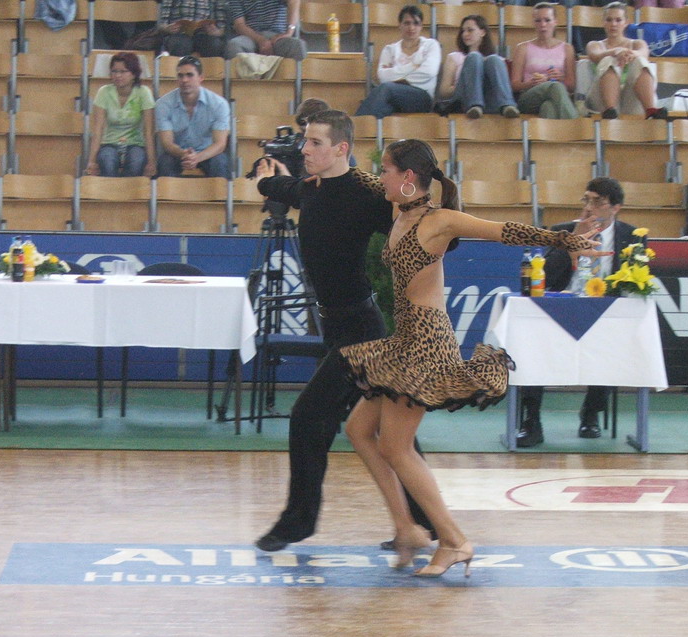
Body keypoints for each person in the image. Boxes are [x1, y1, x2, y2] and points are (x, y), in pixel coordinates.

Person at [338, 139, 604, 577]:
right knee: (359, 430)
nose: (380, 176)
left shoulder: (439, 220)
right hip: (406, 339)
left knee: (396, 447)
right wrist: (328, 165)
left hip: (427, 341)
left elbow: (505, 231)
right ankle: (406, 528)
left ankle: (454, 540)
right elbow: (362, 180)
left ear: (408, 177)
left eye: (386, 169)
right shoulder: (398, 209)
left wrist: (564, 240)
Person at [253, 110, 434, 553]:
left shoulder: (366, 191)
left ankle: (297, 522)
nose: (305, 150)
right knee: (392, 429)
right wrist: (265, 180)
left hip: (361, 331)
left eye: (315, 143)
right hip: (336, 327)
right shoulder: (310, 188)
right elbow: (283, 188)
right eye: (305, 141)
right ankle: (426, 522)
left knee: (308, 416)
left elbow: (423, 222)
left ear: (341, 149)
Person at [515, 177, 637, 447]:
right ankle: (531, 421)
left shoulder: (631, 237)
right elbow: (545, 276)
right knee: (534, 344)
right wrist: (571, 242)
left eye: (598, 202)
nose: (589, 207)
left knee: (613, 341)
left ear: (615, 208)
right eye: (587, 200)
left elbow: (637, 279)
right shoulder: (563, 231)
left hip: (605, 312)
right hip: (561, 308)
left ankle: (591, 414)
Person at [355, 5, 442, 119]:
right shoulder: (390, 49)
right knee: (382, 108)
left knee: (385, 89)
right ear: (400, 25)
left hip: (422, 97)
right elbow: (383, 76)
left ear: (421, 26)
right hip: (395, 98)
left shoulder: (431, 45)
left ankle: (356, 124)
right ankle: (366, 128)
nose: (411, 27)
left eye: (416, 23)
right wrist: (413, 66)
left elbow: (429, 72)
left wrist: (397, 78)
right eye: (407, 23)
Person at [583, 2, 666, 120]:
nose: (613, 24)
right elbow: (595, 56)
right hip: (600, 98)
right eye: (609, 20)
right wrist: (616, 52)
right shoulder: (594, 44)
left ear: (626, 22)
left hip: (630, 99)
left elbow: (644, 53)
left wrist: (630, 54)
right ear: (603, 22)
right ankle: (610, 110)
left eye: (618, 20)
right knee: (608, 60)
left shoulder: (637, 43)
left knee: (640, 61)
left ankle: (650, 110)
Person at [155, 55, 231, 179]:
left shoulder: (219, 104)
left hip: (207, 153)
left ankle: (221, 193)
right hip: (177, 153)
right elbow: (167, 143)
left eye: (190, 75)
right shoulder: (163, 104)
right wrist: (184, 154)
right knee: (165, 162)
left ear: (201, 78)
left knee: (220, 162)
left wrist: (197, 157)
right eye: (180, 76)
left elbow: (220, 144)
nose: (184, 80)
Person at [85, 53, 156, 178]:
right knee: (107, 160)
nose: (117, 75)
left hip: (135, 144)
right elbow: (98, 130)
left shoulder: (144, 93)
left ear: (134, 74)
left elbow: (148, 132)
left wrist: (151, 162)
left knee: (137, 161)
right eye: (114, 71)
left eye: (123, 71)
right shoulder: (104, 92)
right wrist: (92, 161)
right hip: (109, 143)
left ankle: (129, 190)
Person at [435, 14, 519, 120]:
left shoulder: (499, 61)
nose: (465, 34)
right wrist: (470, 84)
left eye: (470, 30)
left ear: (482, 32)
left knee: (494, 59)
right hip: (463, 100)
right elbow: (444, 92)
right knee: (474, 57)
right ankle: (475, 105)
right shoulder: (454, 57)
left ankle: (507, 106)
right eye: (463, 31)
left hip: (490, 102)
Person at [509, 2, 579, 120]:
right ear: (533, 23)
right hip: (528, 96)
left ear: (555, 22)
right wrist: (531, 83)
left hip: (556, 97)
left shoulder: (567, 48)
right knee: (555, 86)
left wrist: (561, 78)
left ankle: (548, 133)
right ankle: (575, 126)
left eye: (547, 20)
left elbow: (572, 86)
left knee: (548, 107)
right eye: (538, 21)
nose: (543, 24)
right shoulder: (522, 48)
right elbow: (514, 85)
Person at [225, 0, 307, 61]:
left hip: (277, 36)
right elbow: (239, 25)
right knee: (233, 45)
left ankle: (294, 79)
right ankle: (243, 80)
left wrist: (289, 32)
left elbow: (294, 1)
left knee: (298, 45)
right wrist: (260, 40)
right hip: (251, 36)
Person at [156, 0, 227, 58]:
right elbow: (161, 25)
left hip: (204, 34)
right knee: (180, 44)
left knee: (214, 44)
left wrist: (216, 31)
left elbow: (222, 28)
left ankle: (209, 69)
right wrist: (168, 28)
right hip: (178, 34)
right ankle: (181, 69)